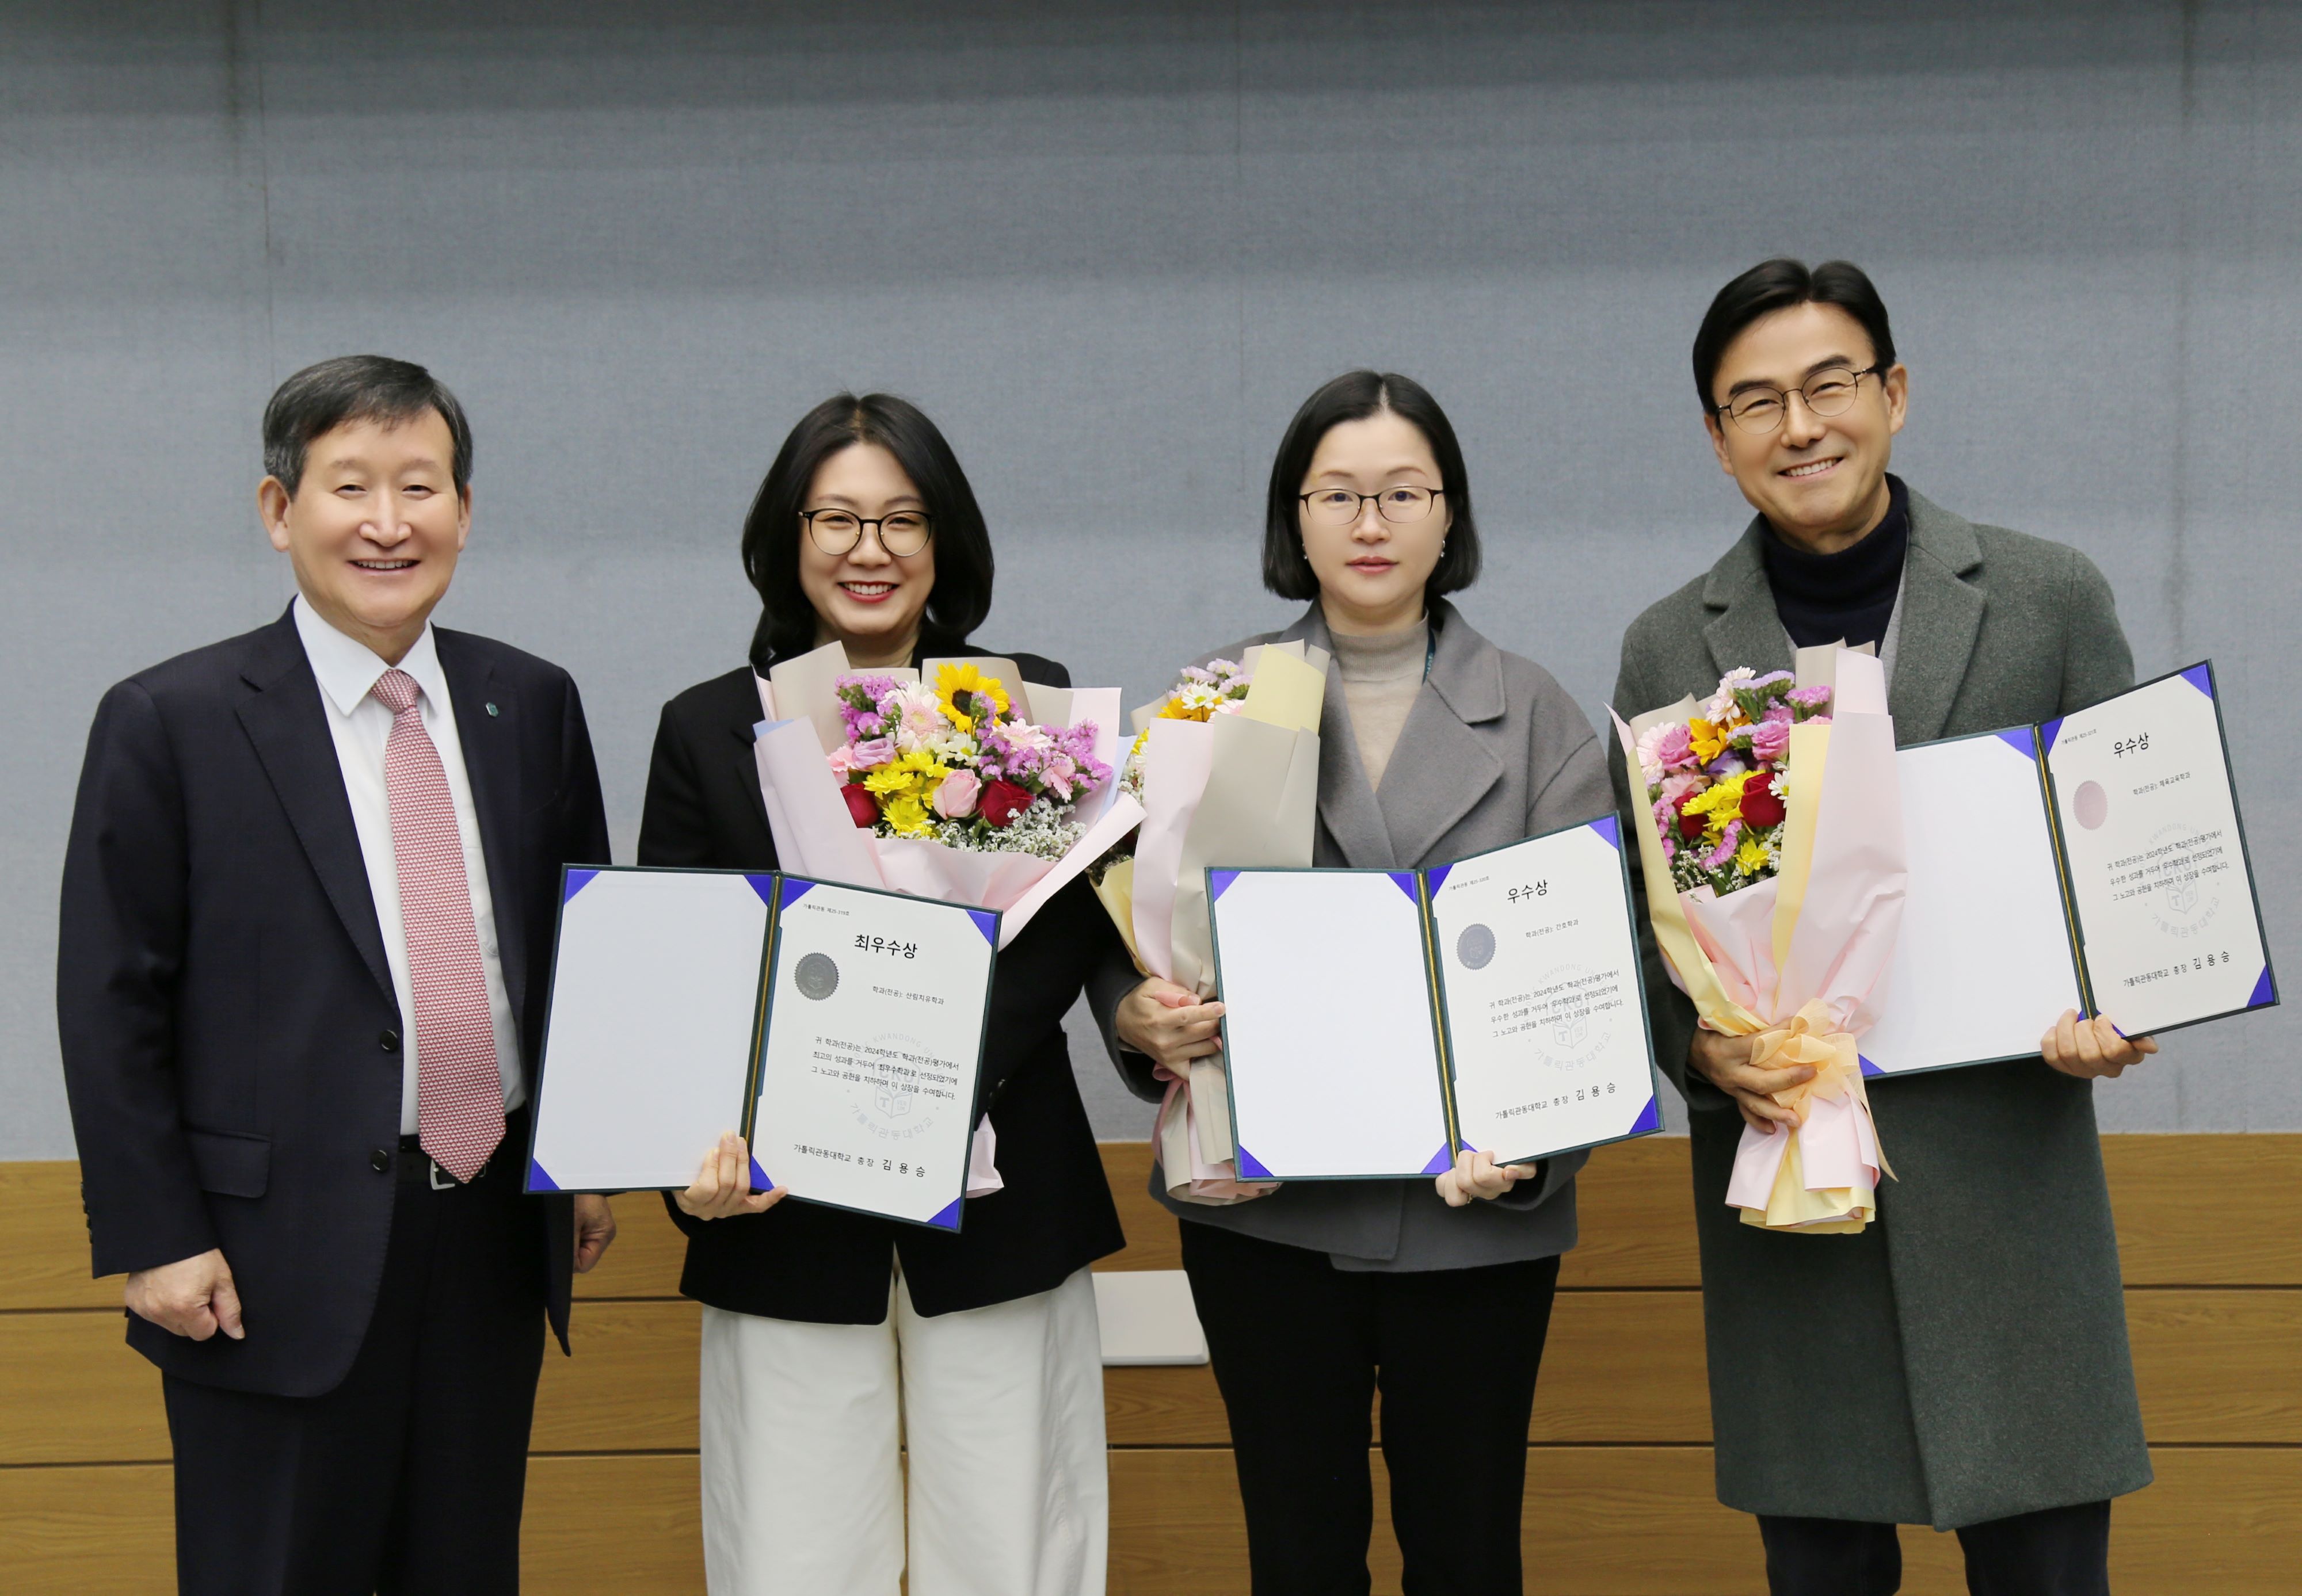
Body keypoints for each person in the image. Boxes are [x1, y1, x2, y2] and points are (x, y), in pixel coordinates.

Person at [1611, 258, 2154, 1596]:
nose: (1798, 427)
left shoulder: (2045, 595)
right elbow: (1636, 926)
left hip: (2004, 1203)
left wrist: (2122, 1002)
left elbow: (2131, 867)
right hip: (1794, 1208)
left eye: (1827, 386)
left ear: (1893, 394)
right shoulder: (1667, 647)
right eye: (1754, 403)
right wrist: (1698, 1051)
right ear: (1716, 438)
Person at [56, 354, 618, 1593]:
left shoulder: (528, 701)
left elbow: (577, 945)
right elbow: (112, 998)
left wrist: (582, 1154)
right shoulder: (175, 718)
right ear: (277, 511)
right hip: (263, 1263)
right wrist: (159, 1236)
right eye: (348, 485)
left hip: (483, 1234)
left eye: (419, 486)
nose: (386, 522)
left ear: (463, 511)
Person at [1088, 371, 1613, 1595]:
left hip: (1472, 1210)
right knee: (1297, 1552)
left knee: (1469, 1551)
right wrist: (1133, 1013)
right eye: (1338, 493)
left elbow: (1587, 971)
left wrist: (1536, 1142)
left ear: (1448, 514)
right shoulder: (1213, 700)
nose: (1369, 522)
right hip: (1270, 1208)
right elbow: (1131, 912)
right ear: (1295, 515)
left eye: (1400, 491)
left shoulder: (1533, 712)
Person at [641, 392, 1127, 1595]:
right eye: (838, 519)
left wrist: (922, 1073)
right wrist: (687, 1161)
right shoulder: (708, 728)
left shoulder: (1022, 706)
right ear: (787, 539)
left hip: (1001, 1189)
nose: (870, 550)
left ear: (943, 538)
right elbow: (678, 967)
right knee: (794, 1554)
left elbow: (1067, 929)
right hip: (786, 1206)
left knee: (1011, 1545)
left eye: (901, 519)